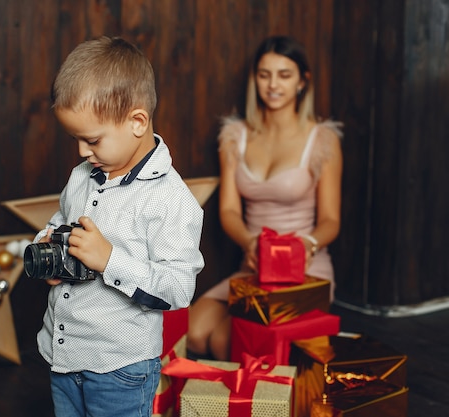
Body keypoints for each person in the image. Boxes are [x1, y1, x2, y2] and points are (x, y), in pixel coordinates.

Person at [33, 36, 205, 417]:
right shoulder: (83, 176)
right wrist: (48, 245)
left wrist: (109, 260)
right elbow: (59, 221)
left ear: (137, 122)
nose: (81, 152)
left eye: (92, 139)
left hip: (120, 368)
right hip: (62, 355)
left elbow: (178, 289)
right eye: (75, 138)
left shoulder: (170, 200)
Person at [187, 35, 343, 361]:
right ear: (254, 78)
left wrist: (308, 245)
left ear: (303, 81)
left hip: (305, 268)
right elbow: (229, 210)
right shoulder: (234, 137)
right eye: (264, 74)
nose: (273, 84)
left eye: (284, 75)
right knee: (195, 333)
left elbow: (331, 220)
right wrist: (250, 243)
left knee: (223, 342)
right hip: (253, 263)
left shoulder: (323, 139)